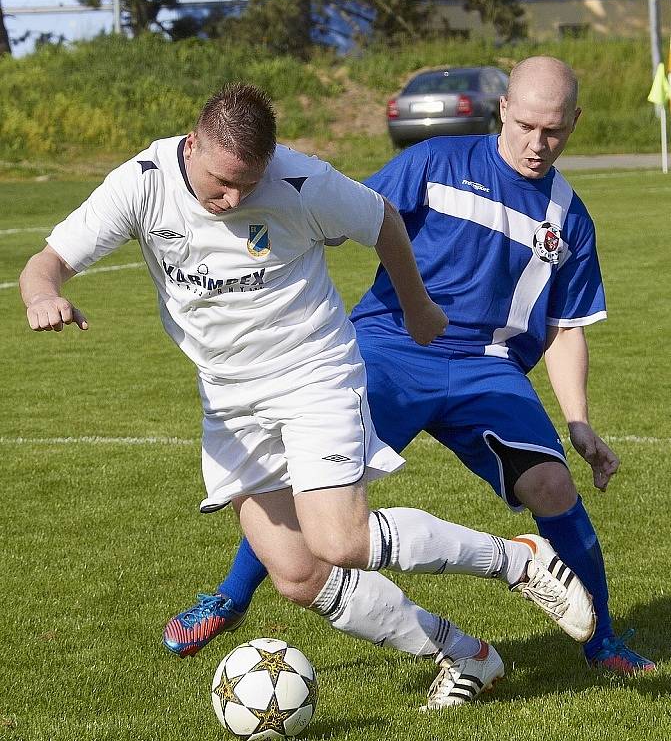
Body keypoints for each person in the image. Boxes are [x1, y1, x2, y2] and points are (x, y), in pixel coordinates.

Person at [19, 82, 596, 711]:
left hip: (312, 373)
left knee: (341, 540)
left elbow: (383, 222)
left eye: (249, 184)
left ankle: (517, 560)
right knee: (297, 574)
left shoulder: (302, 181)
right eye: (221, 183)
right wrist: (42, 296)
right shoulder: (141, 182)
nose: (234, 199)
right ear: (192, 147)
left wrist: (418, 307)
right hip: (230, 400)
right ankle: (464, 655)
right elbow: (44, 263)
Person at [163, 58, 655, 675]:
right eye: (525, 124)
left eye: (553, 131)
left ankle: (601, 641)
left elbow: (563, 326)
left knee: (553, 486)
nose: (536, 143)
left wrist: (579, 421)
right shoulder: (435, 161)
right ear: (502, 108)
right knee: (302, 478)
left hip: (488, 369)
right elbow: (346, 212)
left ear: (574, 123)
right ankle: (231, 595)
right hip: (390, 346)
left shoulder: (569, 216)